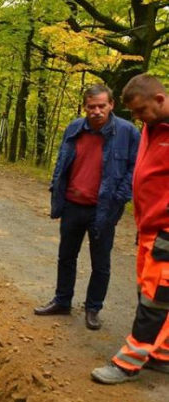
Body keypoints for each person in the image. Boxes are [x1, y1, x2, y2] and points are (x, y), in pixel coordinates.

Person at [35, 84, 140, 330]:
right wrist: (56, 187)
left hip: (103, 209)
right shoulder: (74, 128)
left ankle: (93, 308)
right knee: (66, 256)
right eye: (91, 107)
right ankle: (62, 301)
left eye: (101, 106)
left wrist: (119, 198)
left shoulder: (128, 132)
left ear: (111, 105)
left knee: (100, 263)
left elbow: (135, 169)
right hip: (73, 205)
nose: (96, 111)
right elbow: (63, 161)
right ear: (85, 107)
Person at [92, 74, 169, 384]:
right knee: (150, 293)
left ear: (160, 100)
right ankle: (161, 354)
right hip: (149, 227)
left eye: (141, 111)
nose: (137, 119)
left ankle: (128, 363)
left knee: (155, 297)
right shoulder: (153, 129)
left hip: (166, 231)